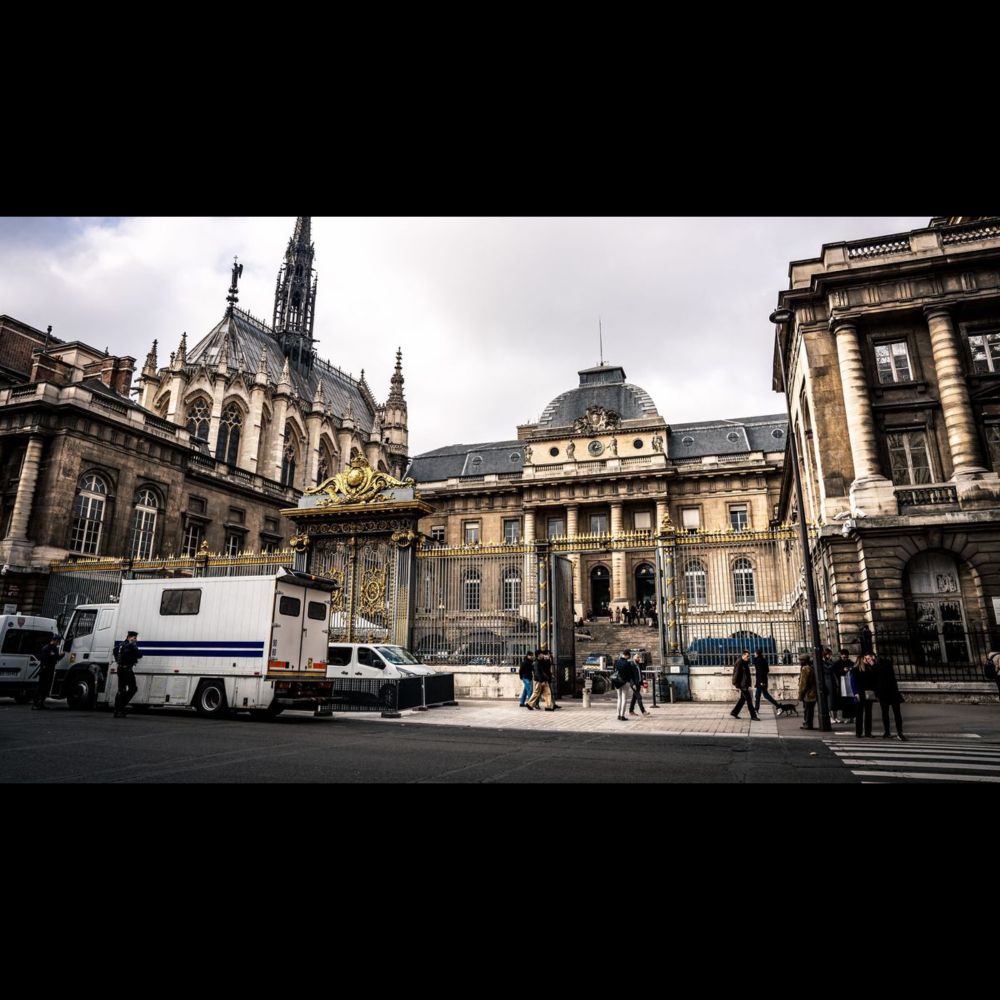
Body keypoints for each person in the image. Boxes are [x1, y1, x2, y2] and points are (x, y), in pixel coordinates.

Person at [874, 654, 905, 740]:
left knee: (885, 714)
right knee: (897, 714)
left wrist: (877, 694)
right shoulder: (889, 667)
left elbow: (876, 682)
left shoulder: (877, 667)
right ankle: (899, 732)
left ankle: (887, 732)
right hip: (893, 692)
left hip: (883, 693)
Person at [114, 630, 142, 718]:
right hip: (127, 670)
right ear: (129, 637)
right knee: (133, 688)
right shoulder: (131, 646)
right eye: (134, 638)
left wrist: (119, 661)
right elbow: (139, 655)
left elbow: (114, 651)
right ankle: (120, 707)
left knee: (121, 690)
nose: (135, 640)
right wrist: (134, 647)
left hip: (120, 669)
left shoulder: (120, 645)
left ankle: (117, 710)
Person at [849, 653, 876, 738]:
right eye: (866, 659)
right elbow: (853, 683)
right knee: (859, 714)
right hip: (860, 693)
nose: (867, 660)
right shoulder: (855, 670)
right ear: (861, 660)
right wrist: (855, 693)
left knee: (868, 714)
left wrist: (873, 665)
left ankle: (868, 732)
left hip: (868, 692)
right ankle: (858, 732)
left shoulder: (869, 668)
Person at [32, 635, 61, 710]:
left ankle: (41, 703)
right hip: (45, 671)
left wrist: (61, 656)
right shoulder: (46, 648)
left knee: (46, 688)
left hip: (50, 670)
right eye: (57, 641)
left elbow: (56, 658)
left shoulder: (55, 648)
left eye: (58, 642)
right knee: (40, 687)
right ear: (54, 640)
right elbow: (44, 660)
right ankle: (35, 704)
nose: (58, 643)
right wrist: (44, 668)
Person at [730, 650, 759, 721]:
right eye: (747, 656)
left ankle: (734, 712)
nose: (748, 657)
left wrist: (749, 684)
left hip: (745, 684)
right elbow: (736, 674)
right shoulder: (739, 662)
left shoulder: (745, 663)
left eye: (749, 656)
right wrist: (736, 685)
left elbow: (747, 675)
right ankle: (753, 716)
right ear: (743, 655)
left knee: (742, 700)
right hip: (742, 685)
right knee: (749, 700)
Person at [752, 648, 780, 714]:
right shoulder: (763, 660)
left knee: (765, 695)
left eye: (755, 653)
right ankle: (756, 709)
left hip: (761, 681)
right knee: (758, 695)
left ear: (757, 654)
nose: (754, 654)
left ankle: (778, 706)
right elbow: (767, 670)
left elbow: (760, 672)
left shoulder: (758, 661)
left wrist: (761, 682)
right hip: (762, 680)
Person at [821, 647, 843, 724]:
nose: (830, 656)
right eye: (829, 654)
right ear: (825, 655)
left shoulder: (830, 661)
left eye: (830, 654)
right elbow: (828, 669)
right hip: (828, 682)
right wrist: (833, 663)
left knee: (835, 701)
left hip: (833, 682)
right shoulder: (823, 662)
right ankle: (831, 717)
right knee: (830, 701)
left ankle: (835, 717)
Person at [798, 655, 817, 729]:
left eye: (801, 660)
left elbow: (803, 683)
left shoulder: (805, 668)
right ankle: (808, 723)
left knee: (807, 709)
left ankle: (808, 724)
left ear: (804, 661)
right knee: (809, 709)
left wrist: (800, 694)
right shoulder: (811, 667)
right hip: (812, 691)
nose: (800, 662)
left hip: (808, 692)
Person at [613, 648, 633, 721]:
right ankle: (622, 715)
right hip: (625, 682)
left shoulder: (616, 662)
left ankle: (618, 715)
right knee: (624, 699)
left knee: (619, 698)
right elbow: (629, 673)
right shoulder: (627, 663)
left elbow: (614, 671)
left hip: (617, 682)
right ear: (627, 655)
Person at [629, 652, 649, 716]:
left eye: (639, 657)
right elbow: (631, 676)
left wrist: (642, 683)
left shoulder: (638, 665)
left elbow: (640, 674)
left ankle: (631, 710)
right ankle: (643, 711)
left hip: (638, 683)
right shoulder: (631, 665)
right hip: (634, 684)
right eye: (637, 657)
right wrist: (633, 684)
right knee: (639, 697)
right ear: (633, 658)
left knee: (634, 698)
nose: (639, 658)